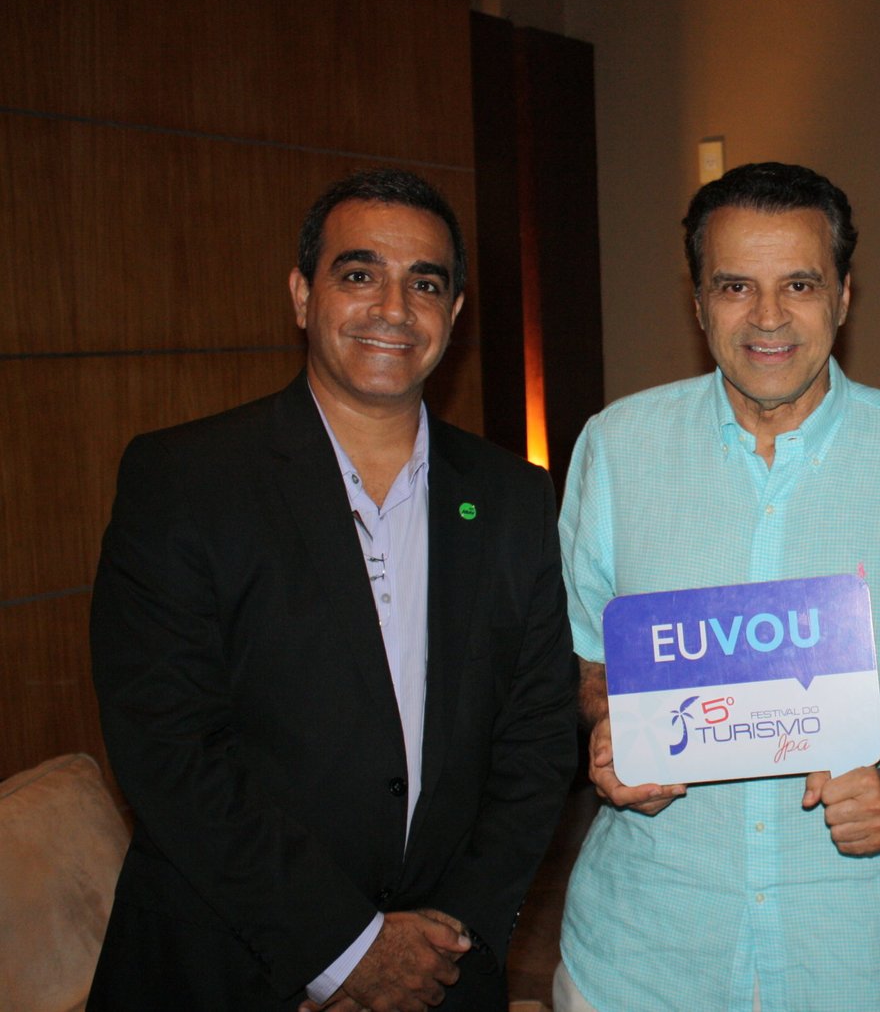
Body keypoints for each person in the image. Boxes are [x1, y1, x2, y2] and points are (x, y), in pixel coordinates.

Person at [88, 168, 577, 1011]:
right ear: (301, 295)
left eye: (425, 283)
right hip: (228, 964)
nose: (394, 307)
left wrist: (443, 942)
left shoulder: (512, 498)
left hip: (442, 969)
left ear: (455, 313)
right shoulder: (185, 480)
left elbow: (535, 743)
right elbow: (169, 746)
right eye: (359, 274)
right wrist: (345, 950)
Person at [554, 161, 880, 1011]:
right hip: (641, 956)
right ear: (699, 302)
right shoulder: (615, 449)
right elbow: (585, 654)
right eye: (736, 286)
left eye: (799, 284)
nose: (768, 317)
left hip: (850, 956)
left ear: (843, 295)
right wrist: (612, 725)